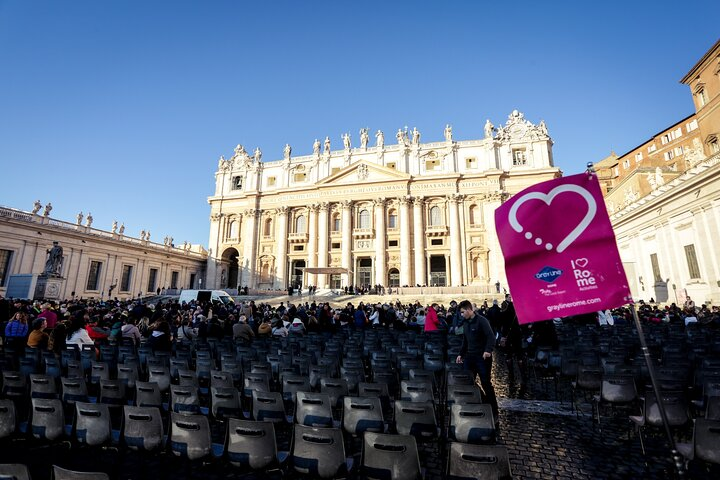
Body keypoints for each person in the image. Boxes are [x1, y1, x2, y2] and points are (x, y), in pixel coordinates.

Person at [456, 299, 499, 418]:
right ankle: (480, 402)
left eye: (463, 312)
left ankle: (494, 410)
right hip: (469, 357)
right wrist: (461, 354)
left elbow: (491, 336)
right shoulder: (465, 322)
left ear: (470, 310)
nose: (461, 314)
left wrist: (488, 350)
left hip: (482, 357)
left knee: (486, 383)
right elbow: (465, 340)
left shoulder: (482, 321)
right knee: (468, 382)